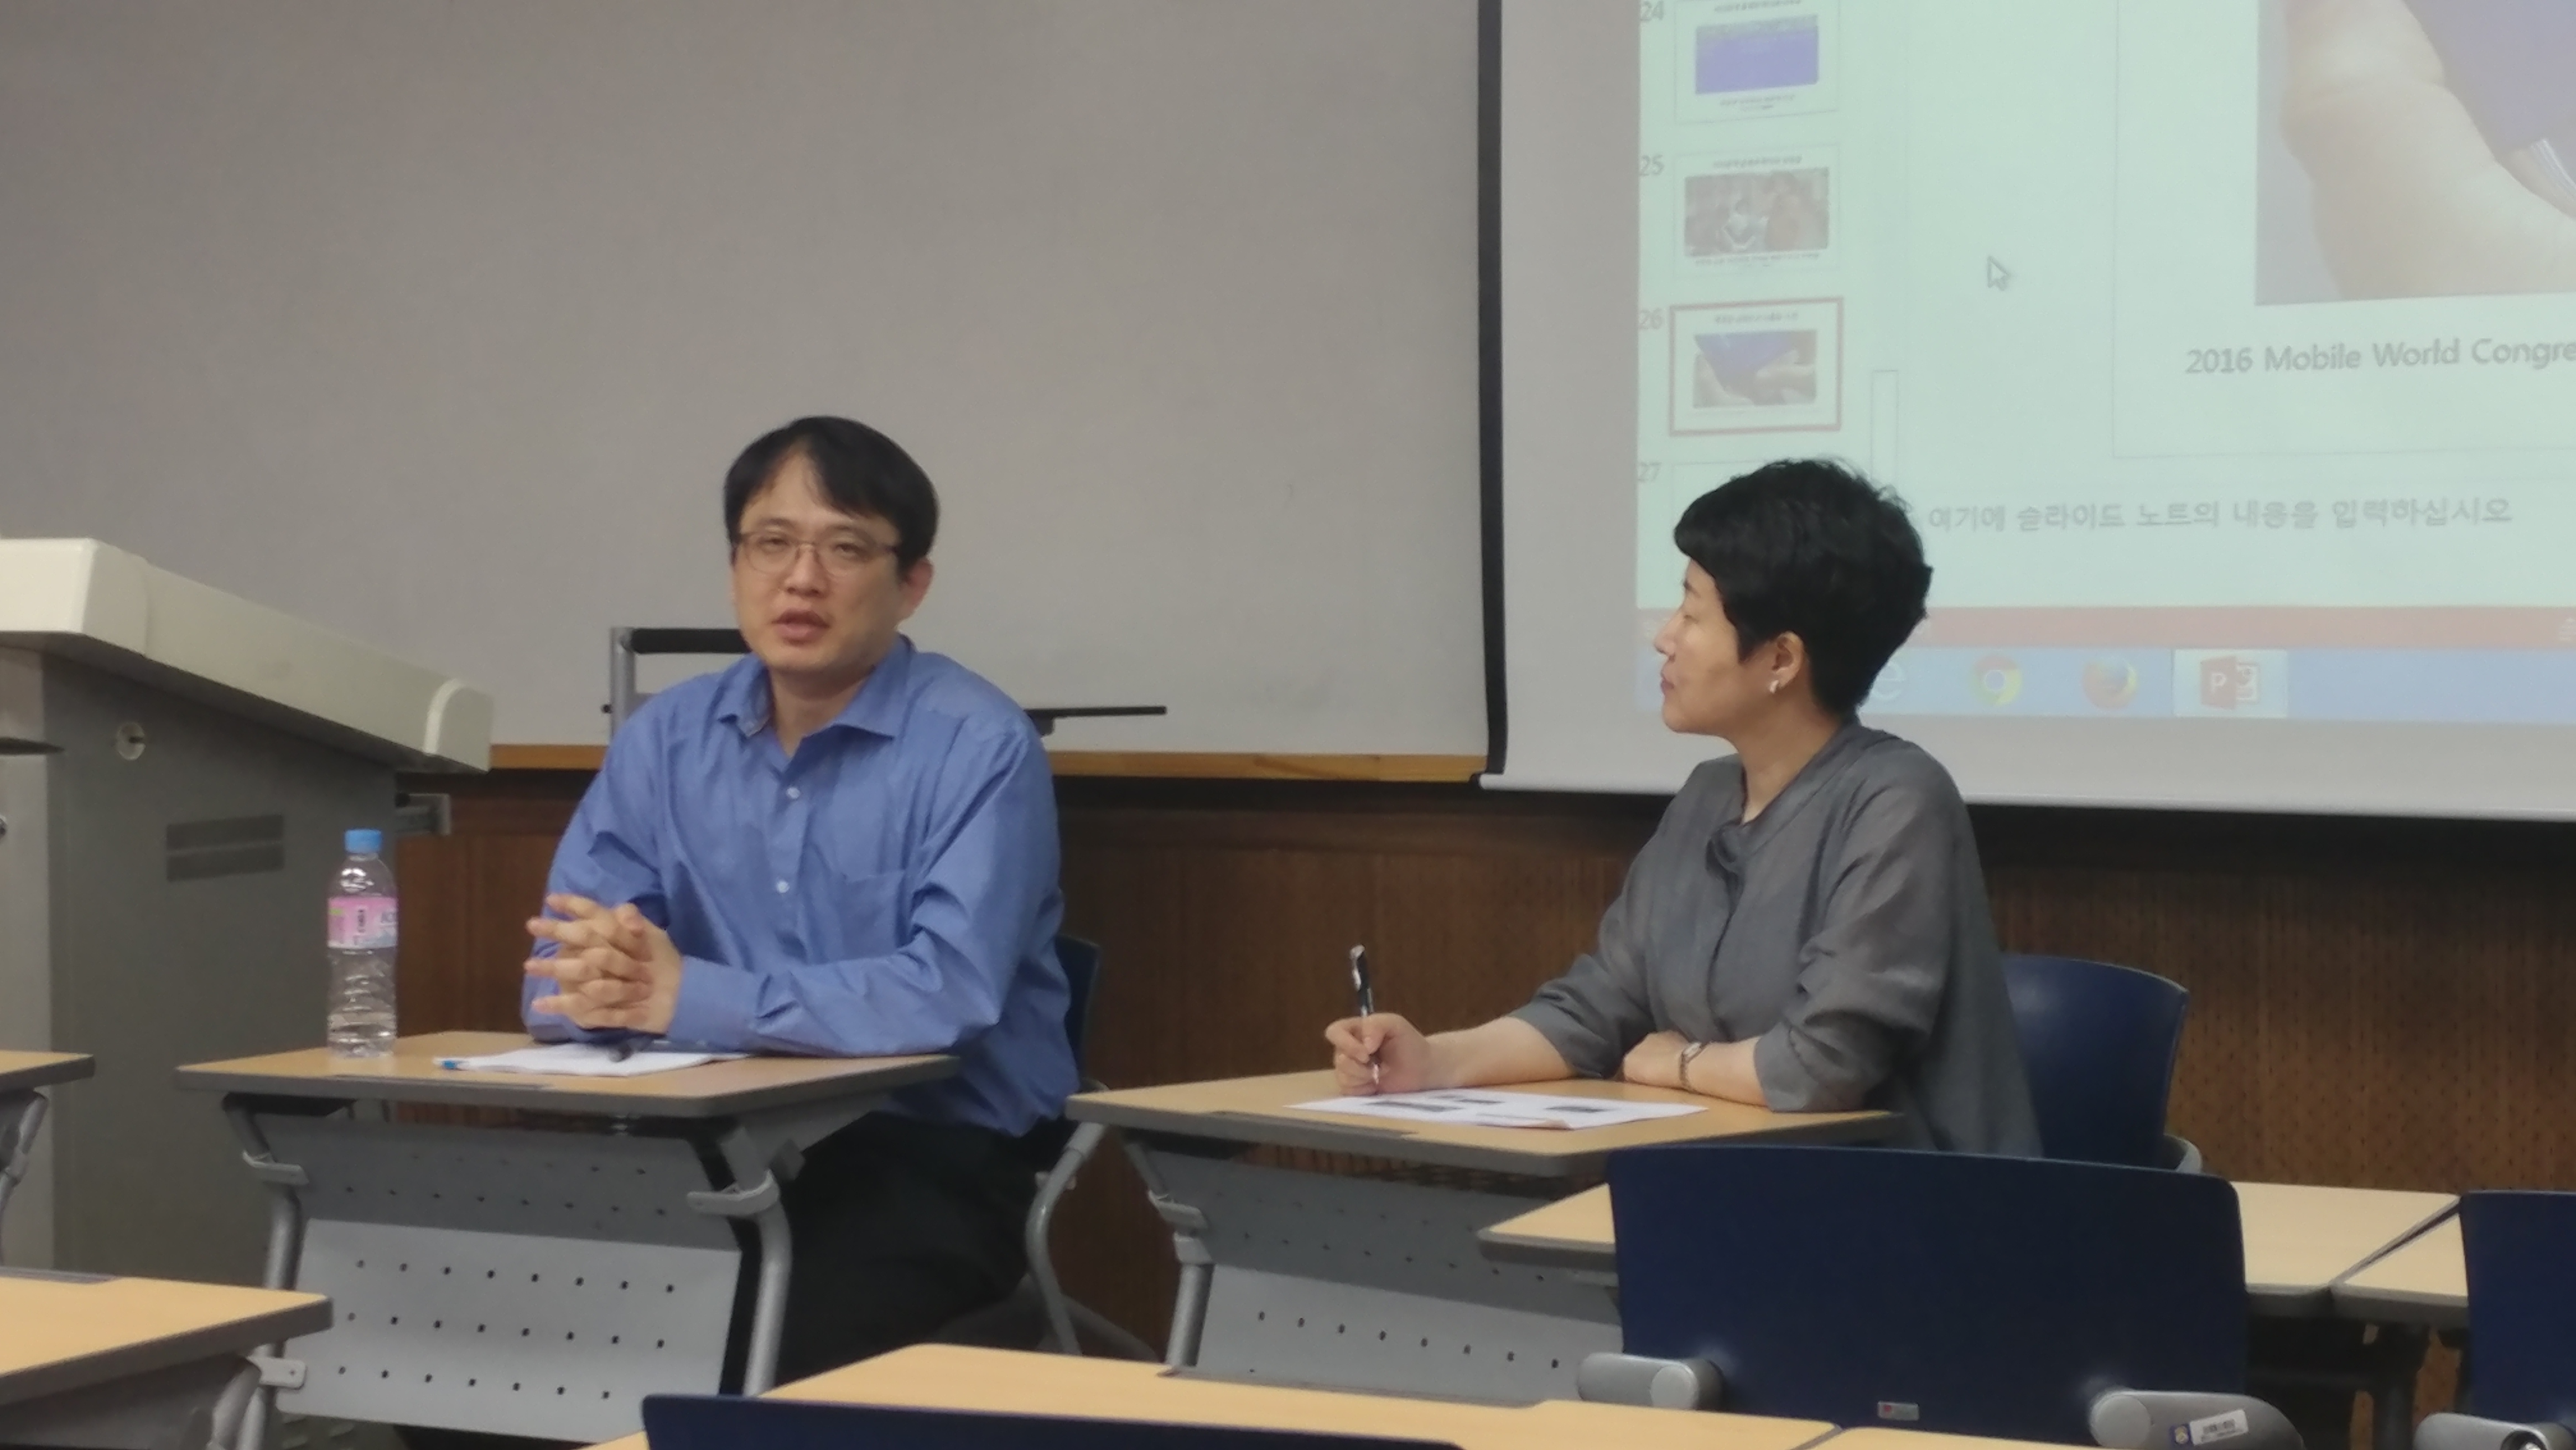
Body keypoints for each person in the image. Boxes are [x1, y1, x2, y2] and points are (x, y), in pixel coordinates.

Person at [521, 415, 1077, 1381]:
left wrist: (687, 996)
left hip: (924, 1155)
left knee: (747, 1354)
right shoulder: (665, 739)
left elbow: (948, 991)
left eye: (845, 548)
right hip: (700, 1143)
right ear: (735, 565)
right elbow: (559, 979)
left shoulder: (978, 745)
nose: (802, 579)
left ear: (912, 585)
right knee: (472, 1326)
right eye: (771, 543)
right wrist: (603, 988)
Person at [1325, 459, 2039, 1154]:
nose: (1665, 637)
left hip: (1905, 1205)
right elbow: (1597, 1007)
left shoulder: (1897, 800)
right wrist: (1435, 1060)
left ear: (1782, 660)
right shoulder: (1708, 795)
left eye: (1694, 613)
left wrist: (1680, 1063)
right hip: (1735, 1179)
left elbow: (1819, 1067)